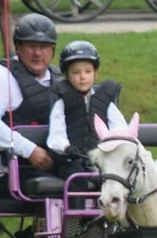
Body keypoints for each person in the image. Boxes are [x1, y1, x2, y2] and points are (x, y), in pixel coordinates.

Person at [0, 13, 62, 200]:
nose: (37, 53)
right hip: (7, 174)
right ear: (18, 48)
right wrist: (29, 150)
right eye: (31, 46)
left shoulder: (61, 78)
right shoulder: (0, 76)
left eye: (44, 46)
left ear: (53, 50)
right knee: (73, 187)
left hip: (52, 167)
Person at [46, 40, 127, 208]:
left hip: (100, 160)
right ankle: (77, 220)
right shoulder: (63, 101)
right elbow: (56, 134)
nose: (83, 77)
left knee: (112, 179)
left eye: (88, 71)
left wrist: (114, 146)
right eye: (76, 72)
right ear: (66, 75)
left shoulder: (105, 100)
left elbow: (121, 130)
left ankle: (109, 220)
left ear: (95, 73)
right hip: (71, 161)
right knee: (77, 178)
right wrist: (66, 148)